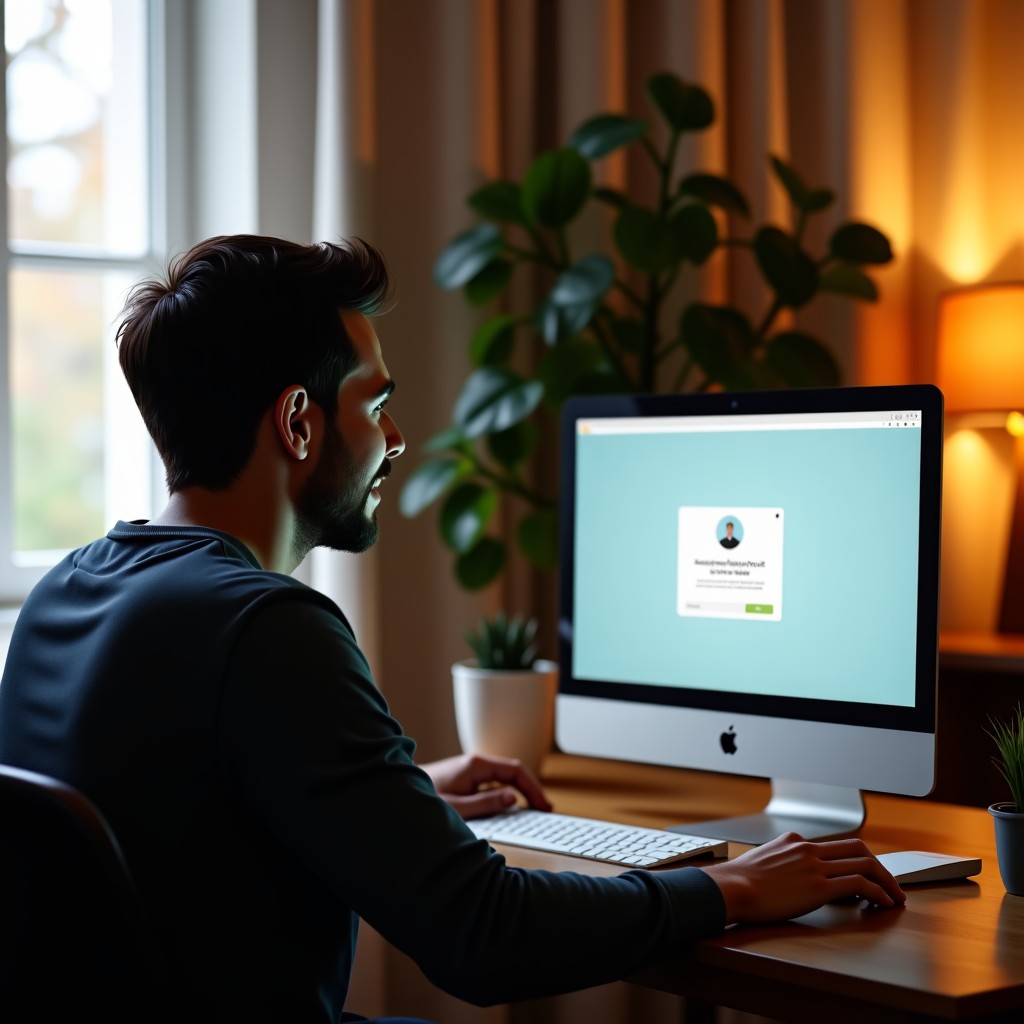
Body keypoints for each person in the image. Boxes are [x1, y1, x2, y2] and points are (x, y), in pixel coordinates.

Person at [0, 235, 905, 1023]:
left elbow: (172, 814)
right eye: (376, 402)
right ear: (299, 422)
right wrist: (731, 884)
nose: (396, 437)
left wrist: (403, 793)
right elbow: (485, 936)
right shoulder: (266, 627)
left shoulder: (71, 588)